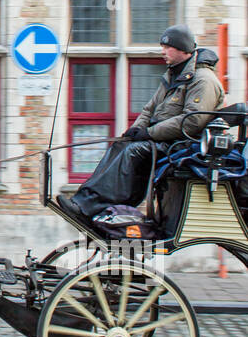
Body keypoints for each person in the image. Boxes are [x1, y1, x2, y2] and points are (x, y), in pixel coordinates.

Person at [60, 25, 226, 223]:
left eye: (167, 47)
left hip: (183, 147)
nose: (162, 52)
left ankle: (92, 206)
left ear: (183, 49)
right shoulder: (173, 76)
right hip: (163, 142)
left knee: (135, 151)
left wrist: (149, 133)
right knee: (122, 144)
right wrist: (136, 130)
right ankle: (88, 202)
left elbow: (191, 122)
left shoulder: (203, 80)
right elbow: (149, 109)